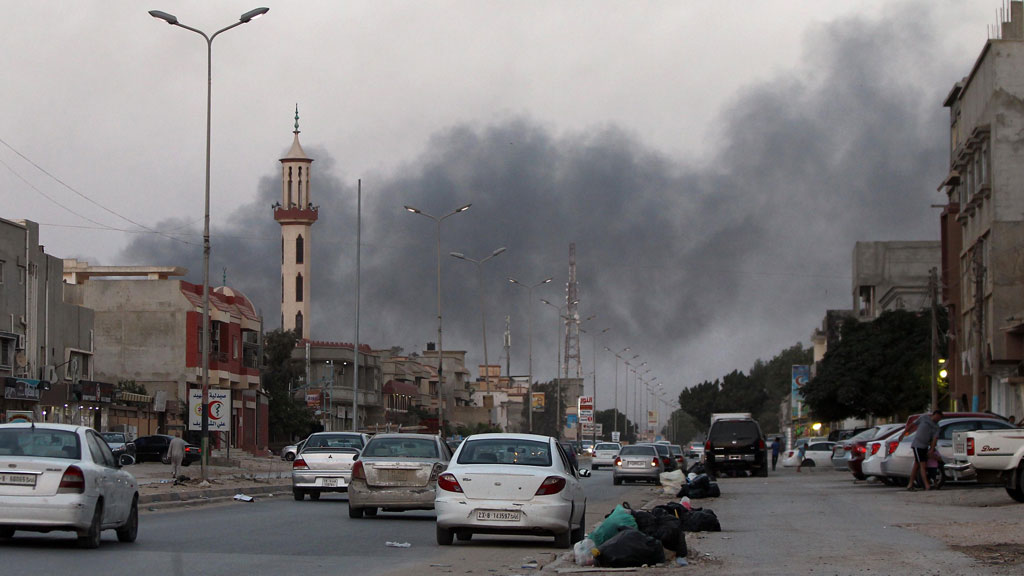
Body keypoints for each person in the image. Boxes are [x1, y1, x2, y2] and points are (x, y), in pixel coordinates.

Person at [908, 410, 943, 491]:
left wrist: (931, 449)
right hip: (917, 445)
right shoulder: (924, 418)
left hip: (925, 446)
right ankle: (927, 485)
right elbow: (912, 425)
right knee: (922, 465)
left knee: (916, 465)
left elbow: (935, 439)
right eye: (937, 417)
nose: (938, 419)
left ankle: (910, 484)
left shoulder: (936, 427)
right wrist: (904, 433)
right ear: (934, 415)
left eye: (939, 418)